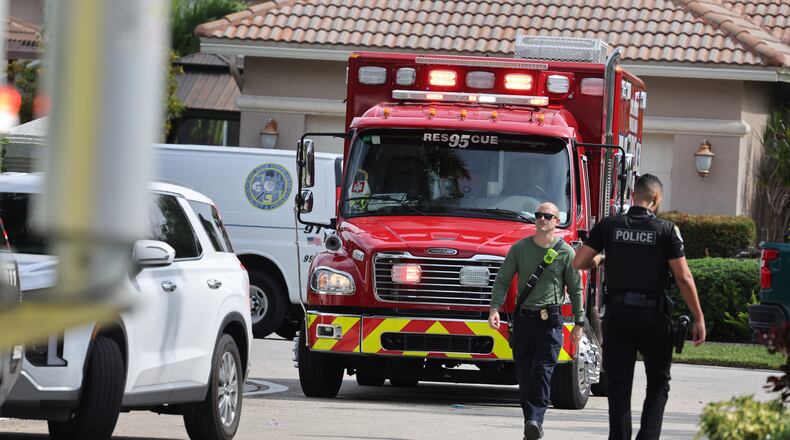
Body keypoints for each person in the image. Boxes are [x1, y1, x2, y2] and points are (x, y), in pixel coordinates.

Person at [572, 173, 706, 440]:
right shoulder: (667, 230)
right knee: (658, 383)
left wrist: (602, 259)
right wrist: (699, 317)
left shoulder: (609, 226)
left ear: (633, 194)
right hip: (653, 317)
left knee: (619, 384)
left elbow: (578, 262)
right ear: (656, 198)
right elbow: (683, 276)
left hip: (618, 316)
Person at [488, 202, 584, 440]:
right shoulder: (519, 249)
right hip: (524, 322)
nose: (542, 219)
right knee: (524, 375)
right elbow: (502, 280)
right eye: (539, 215)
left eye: (547, 216)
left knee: (542, 372)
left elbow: (576, 289)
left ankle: (535, 419)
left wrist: (579, 323)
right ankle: (530, 421)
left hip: (550, 323)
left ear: (556, 221)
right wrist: (494, 309)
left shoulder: (565, 252)